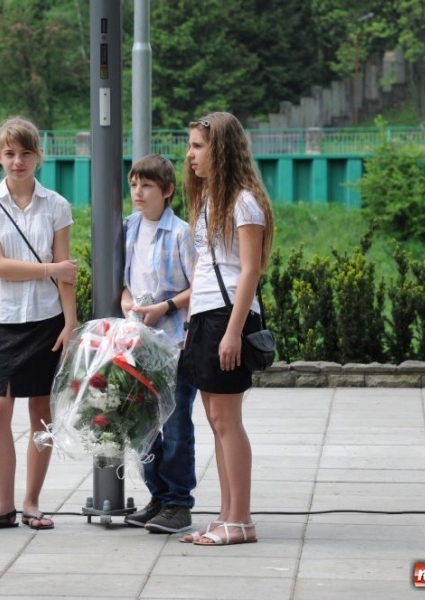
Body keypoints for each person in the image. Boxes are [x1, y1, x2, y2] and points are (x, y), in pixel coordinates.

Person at [0, 117, 78, 531]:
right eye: (10, 153)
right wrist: (51, 268)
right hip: (5, 320)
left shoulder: (57, 205)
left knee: (42, 415)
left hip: (48, 320)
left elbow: (68, 274)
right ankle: (3, 504)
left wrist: (71, 322)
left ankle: (31, 503)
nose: (18, 161)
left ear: (38, 157)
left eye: (26, 153)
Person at [178, 112, 274, 546]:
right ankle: (225, 515)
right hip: (205, 316)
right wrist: (190, 322)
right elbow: (204, 264)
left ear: (221, 150)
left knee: (227, 420)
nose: (190, 155)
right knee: (215, 419)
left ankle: (241, 520)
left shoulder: (244, 202)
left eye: (198, 146)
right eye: (191, 146)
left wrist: (232, 332)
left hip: (228, 315)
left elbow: (250, 270)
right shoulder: (208, 201)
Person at [119, 154, 198, 534]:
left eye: (147, 185)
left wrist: (164, 307)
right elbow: (124, 282)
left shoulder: (182, 233)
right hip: (138, 342)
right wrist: (127, 304)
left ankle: (179, 503)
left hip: (175, 342)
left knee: (176, 424)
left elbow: (199, 286)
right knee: (142, 425)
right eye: (134, 184)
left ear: (167, 191)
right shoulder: (127, 228)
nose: (138, 192)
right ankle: (158, 496)